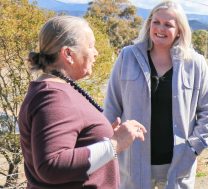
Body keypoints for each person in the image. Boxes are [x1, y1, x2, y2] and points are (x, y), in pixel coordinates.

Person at [18, 16, 146, 189]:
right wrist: (115, 143)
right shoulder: (53, 98)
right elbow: (51, 166)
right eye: (90, 46)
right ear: (68, 54)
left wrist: (100, 135)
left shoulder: (57, 90)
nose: (96, 53)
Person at [104, 1, 208, 188]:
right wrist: (110, 146)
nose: (160, 29)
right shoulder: (127, 57)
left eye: (168, 24)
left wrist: (194, 148)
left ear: (180, 30)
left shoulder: (195, 63)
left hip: (179, 165)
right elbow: (111, 107)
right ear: (149, 24)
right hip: (132, 164)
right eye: (156, 22)